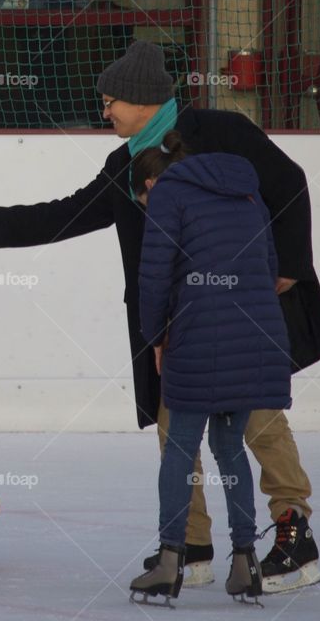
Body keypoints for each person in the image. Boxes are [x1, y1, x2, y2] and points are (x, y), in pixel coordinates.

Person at [0, 40, 320, 593]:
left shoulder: (221, 132)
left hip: (241, 311)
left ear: (139, 99)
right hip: (174, 325)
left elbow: (289, 183)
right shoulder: (125, 165)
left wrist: (290, 266)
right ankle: (193, 546)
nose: (103, 110)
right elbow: (70, 213)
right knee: (173, 430)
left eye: (110, 100)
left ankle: (294, 536)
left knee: (256, 419)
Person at [128, 133, 291, 607]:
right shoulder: (245, 189)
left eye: (142, 198)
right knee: (228, 446)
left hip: (199, 334)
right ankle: (246, 561)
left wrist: (156, 336)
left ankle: (170, 560)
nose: (145, 205)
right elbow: (269, 263)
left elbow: (154, 274)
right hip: (257, 333)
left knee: (180, 444)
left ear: (152, 181)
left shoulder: (168, 195)